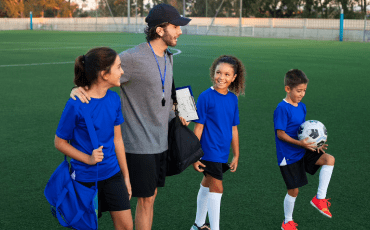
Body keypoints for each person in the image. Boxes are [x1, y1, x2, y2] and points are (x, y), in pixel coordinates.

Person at [70, 4, 192, 230]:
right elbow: (98, 69)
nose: (179, 31)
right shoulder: (134, 58)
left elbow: (162, 95)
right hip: (138, 145)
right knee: (145, 200)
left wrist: (178, 112)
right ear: (159, 30)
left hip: (161, 142)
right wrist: (80, 89)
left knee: (151, 196)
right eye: (175, 26)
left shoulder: (168, 56)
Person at [54, 47, 133, 230]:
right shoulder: (76, 104)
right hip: (85, 178)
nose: (122, 71)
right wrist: (88, 159)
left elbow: (117, 140)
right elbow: (59, 142)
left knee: (127, 227)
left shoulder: (114, 99)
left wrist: (126, 176)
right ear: (104, 74)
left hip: (113, 174)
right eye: (119, 67)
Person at [273, 69, 335, 230]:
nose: (302, 94)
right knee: (294, 191)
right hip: (288, 156)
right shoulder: (282, 108)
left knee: (329, 159)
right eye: (298, 91)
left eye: (304, 91)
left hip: (303, 149)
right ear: (288, 89)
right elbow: (280, 134)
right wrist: (302, 144)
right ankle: (287, 222)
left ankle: (319, 199)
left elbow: (304, 129)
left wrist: (316, 143)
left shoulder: (302, 107)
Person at [190, 55, 246, 230]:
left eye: (227, 74)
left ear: (234, 77)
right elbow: (198, 128)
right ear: (213, 73)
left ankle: (197, 225)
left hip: (222, 153)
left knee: (207, 183)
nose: (222, 77)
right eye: (218, 72)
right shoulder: (206, 97)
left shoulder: (232, 99)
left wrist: (236, 154)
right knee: (218, 188)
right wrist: (193, 155)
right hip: (208, 151)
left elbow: (233, 129)